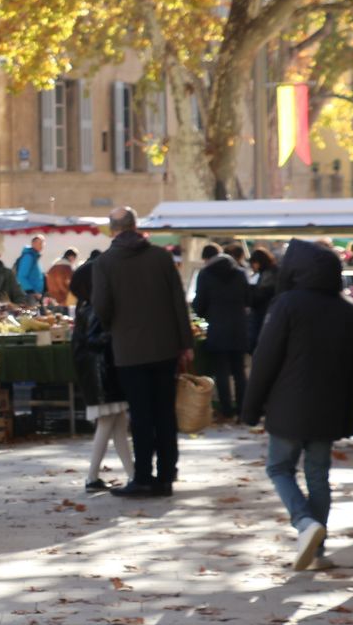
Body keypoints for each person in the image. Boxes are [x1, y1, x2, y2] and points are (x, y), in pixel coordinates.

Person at [241, 239, 353, 571]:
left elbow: (266, 359)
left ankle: (304, 522)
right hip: (328, 408)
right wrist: (351, 417)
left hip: (288, 406)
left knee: (279, 467)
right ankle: (318, 549)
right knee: (318, 475)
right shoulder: (349, 311)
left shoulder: (287, 305)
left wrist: (250, 407)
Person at [90, 208, 191, 498]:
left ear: (113, 230)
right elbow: (178, 303)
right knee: (164, 413)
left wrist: (115, 328)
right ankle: (167, 474)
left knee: (142, 415)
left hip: (129, 350)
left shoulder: (105, 263)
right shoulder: (161, 257)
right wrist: (184, 343)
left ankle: (143, 476)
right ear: (136, 226)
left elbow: (101, 308)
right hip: (165, 347)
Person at [71, 251, 133, 491]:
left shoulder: (86, 307)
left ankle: (128, 473)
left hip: (99, 375)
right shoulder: (95, 308)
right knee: (110, 424)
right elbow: (96, 339)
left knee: (116, 425)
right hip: (103, 376)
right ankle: (92, 477)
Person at [191, 244, 252, 419]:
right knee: (240, 372)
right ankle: (243, 409)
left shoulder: (206, 275)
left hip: (217, 328)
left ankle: (226, 410)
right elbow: (249, 299)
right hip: (238, 328)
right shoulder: (240, 274)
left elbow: (198, 304)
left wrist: (208, 314)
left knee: (222, 372)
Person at [246, 248, 279, 377]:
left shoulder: (268, 275)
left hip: (263, 320)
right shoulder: (271, 273)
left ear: (257, 262)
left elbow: (260, 297)